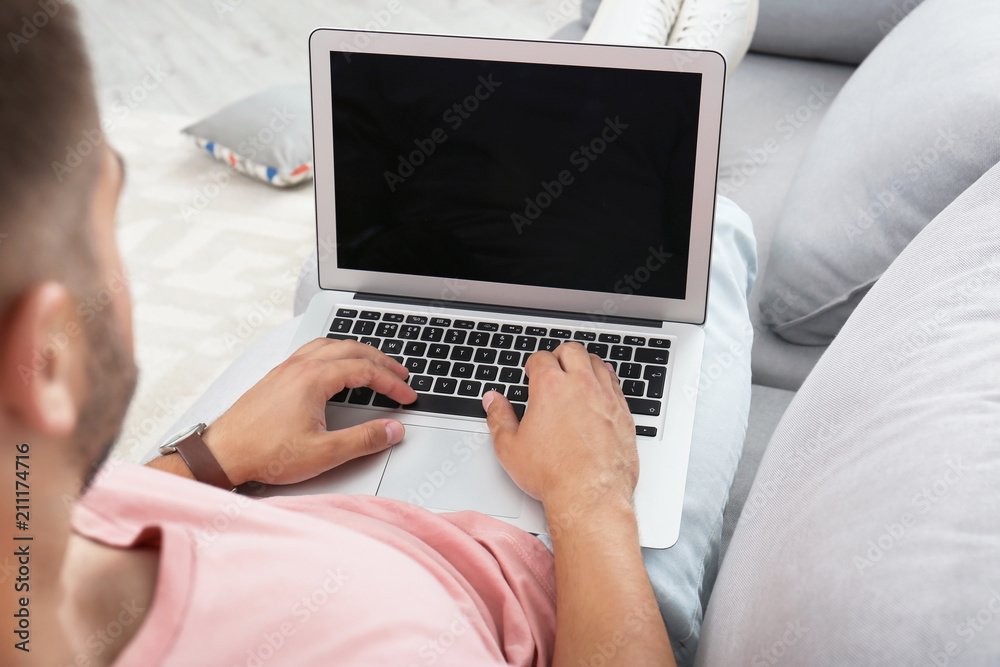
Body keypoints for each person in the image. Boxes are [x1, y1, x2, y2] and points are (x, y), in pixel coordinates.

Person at [0, 3, 756, 665]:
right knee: (706, 224)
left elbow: (80, 530)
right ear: (45, 355)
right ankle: (669, 50)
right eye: (111, 206)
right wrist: (591, 493)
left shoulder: (42, 515)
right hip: (569, 558)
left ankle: (626, 45)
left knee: (366, 272)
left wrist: (209, 456)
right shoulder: (382, 638)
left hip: (283, 479)